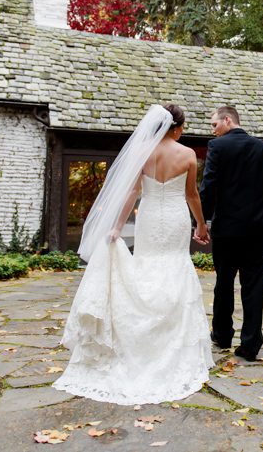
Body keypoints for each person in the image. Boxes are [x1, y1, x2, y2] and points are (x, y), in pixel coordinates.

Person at [52, 104, 214, 405]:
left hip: (149, 217)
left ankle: (141, 334)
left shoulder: (142, 151)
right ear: (177, 128)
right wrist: (201, 225)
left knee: (146, 268)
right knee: (175, 267)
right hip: (176, 218)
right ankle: (170, 339)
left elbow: (132, 192)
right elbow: (192, 194)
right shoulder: (188, 155)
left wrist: (117, 227)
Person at [199, 105, 263, 362]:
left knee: (224, 282)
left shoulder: (218, 147)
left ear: (227, 120)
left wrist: (202, 221)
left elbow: (209, 185)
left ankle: (222, 335)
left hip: (227, 229)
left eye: (214, 125)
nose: (213, 131)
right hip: (258, 229)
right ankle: (250, 344)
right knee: (254, 285)